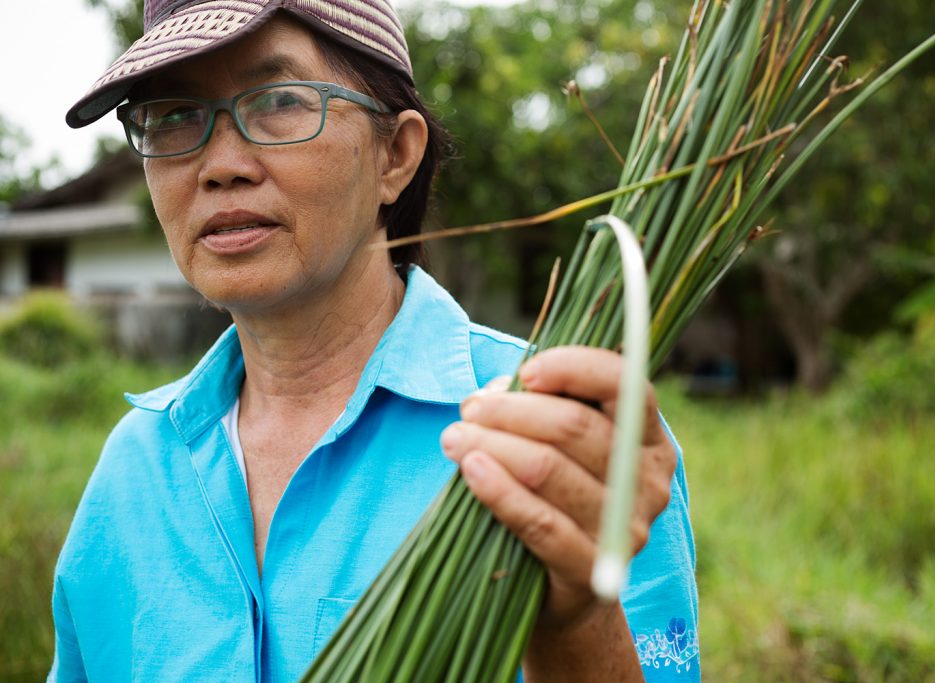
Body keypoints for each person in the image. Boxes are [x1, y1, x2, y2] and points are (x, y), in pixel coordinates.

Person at [50, 0, 700, 680]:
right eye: (173, 115)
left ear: (396, 154)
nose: (221, 165)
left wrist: (575, 621)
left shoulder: (555, 433)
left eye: (278, 99)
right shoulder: (133, 471)